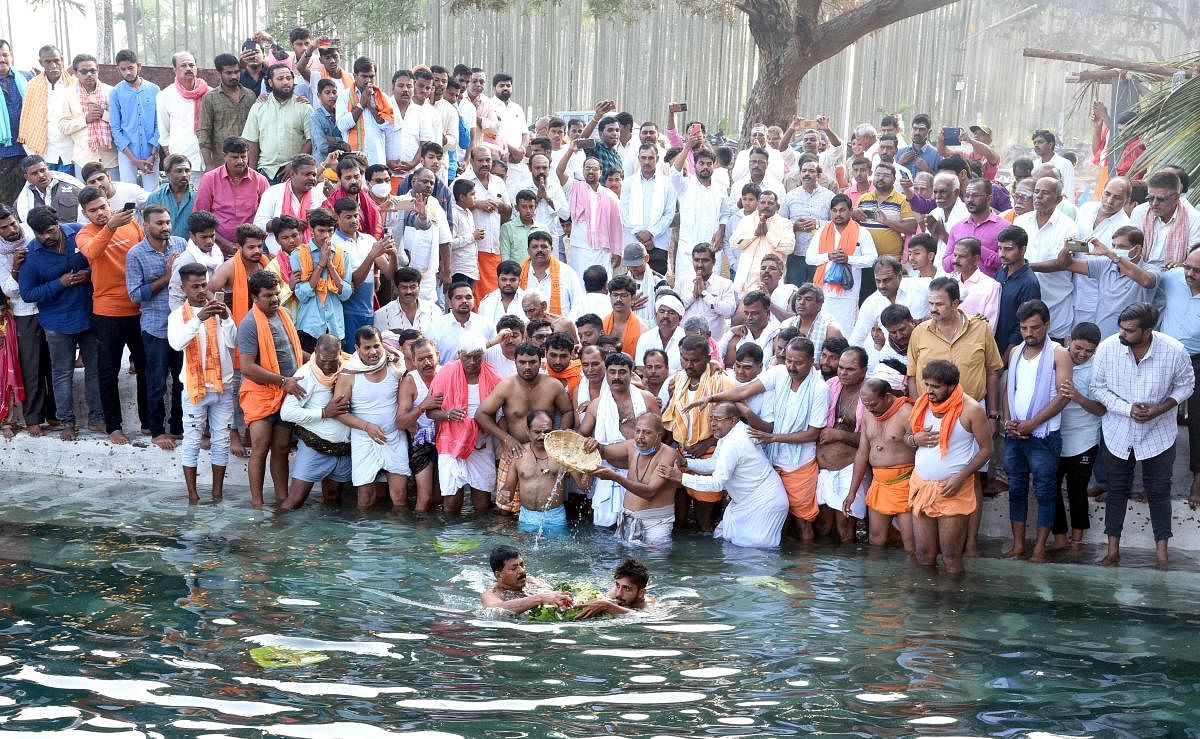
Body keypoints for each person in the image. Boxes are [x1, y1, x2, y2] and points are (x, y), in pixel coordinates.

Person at [1091, 303, 1194, 570]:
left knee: (1159, 491)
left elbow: (1187, 385)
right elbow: (1097, 388)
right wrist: (1127, 409)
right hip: (1118, 429)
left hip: (1159, 432)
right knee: (1116, 490)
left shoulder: (1174, 350)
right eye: (1121, 328)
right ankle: (1112, 551)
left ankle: (1162, 555)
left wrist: (1160, 409)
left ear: (1148, 330)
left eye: (1129, 330)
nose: (1122, 334)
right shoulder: (1107, 348)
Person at [695, 336, 829, 542]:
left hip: (799, 464)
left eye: (798, 362)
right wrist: (712, 398)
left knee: (802, 522)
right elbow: (745, 389)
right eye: (789, 360)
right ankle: (780, 564)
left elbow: (813, 433)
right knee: (776, 516)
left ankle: (803, 571)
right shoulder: (778, 372)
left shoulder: (820, 389)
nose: (792, 366)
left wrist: (773, 437)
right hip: (772, 459)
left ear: (812, 361)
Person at [17, 207, 102, 440]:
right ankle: (67, 423)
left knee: (95, 369)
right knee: (62, 373)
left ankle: (97, 419)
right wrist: (60, 284)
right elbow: (27, 293)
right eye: (40, 233)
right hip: (56, 323)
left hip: (89, 315)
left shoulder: (79, 233)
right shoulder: (31, 255)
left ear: (58, 222)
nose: (45, 236)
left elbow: (100, 261)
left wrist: (88, 273)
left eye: (49, 230)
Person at [659, 400, 789, 548]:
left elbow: (717, 483)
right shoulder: (732, 433)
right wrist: (686, 463)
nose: (712, 424)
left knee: (755, 557)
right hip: (745, 502)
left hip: (764, 504)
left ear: (733, 420)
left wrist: (681, 477)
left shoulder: (734, 441)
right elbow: (714, 464)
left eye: (717, 419)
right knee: (731, 544)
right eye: (711, 419)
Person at [1001, 299, 1072, 563]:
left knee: (1045, 492)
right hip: (1014, 435)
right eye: (1024, 328)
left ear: (1047, 325)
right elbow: (1010, 390)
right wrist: (1009, 422)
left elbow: (1063, 396)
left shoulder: (1059, 353)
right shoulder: (1015, 351)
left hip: (1044, 437)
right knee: (1016, 489)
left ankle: (1040, 548)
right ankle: (1018, 546)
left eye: (1034, 328)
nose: (1029, 334)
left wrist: (1032, 424)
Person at [907, 359, 993, 575]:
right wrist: (914, 440)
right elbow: (906, 439)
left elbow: (986, 449)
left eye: (935, 386)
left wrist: (961, 477)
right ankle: (925, 606)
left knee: (951, 557)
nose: (928, 391)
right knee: (923, 554)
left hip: (954, 488)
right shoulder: (921, 404)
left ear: (952, 386)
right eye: (926, 384)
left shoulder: (971, 409)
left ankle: (950, 607)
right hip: (922, 486)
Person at [76, 186, 147, 443]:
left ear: (109, 203)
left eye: (103, 207)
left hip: (139, 309)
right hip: (107, 313)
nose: (101, 213)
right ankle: (113, 427)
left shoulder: (133, 226)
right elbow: (93, 252)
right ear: (85, 214)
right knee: (108, 371)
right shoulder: (84, 234)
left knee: (145, 367)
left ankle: (149, 422)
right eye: (93, 210)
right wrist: (111, 227)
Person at [167, 262, 236, 503]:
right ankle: (193, 496)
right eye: (194, 286)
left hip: (223, 386)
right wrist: (199, 318)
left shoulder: (217, 311)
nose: (200, 290)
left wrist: (226, 317)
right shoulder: (177, 316)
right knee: (193, 440)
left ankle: (217, 494)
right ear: (183, 287)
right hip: (195, 389)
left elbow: (233, 342)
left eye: (203, 284)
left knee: (221, 440)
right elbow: (177, 344)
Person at [475, 340, 574, 504]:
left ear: (540, 361)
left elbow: (568, 411)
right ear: (515, 362)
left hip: (546, 454)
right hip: (516, 452)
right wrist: (507, 439)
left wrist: (558, 438)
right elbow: (481, 414)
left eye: (532, 362)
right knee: (505, 507)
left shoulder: (553, 385)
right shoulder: (506, 386)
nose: (527, 367)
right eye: (522, 362)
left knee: (544, 505)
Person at [237, 270, 304, 507]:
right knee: (260, 448)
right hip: (262, 395)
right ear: (255, 298)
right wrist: (283, 381)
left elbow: (293, 351)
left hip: (287, 394)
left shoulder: (284, 314)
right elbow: (246, 367)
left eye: (277, 294)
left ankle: (282, 500)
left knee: (282, 448)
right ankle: (257, 504)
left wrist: (322, 359)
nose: (275, 299)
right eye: (268, 296)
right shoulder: (248, 324)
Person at [124, 204, 188, 450]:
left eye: (167, 222)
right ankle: (157, 431)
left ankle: (179, 426)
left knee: (183, 380)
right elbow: (135, 295)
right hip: (155, 327)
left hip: (182, 324)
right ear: (146, 225)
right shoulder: (136, 254)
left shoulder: (180, 244)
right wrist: (167, 276)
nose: (166, 227)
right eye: (159, 223)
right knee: (157, 382)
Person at [661, 335, 735, 532]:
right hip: (682, 452)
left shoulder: (722, 382)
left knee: (705, 522)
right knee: (678, 521)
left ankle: (707, 559)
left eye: (695, 360)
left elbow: (734, 422)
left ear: (708, 357)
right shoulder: (677, 379)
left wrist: (707, 443)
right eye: (685, 359)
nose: (689, 364)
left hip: (710, 452)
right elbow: (671, 418)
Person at [1031, 225, 1158, 338]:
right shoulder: (1106, 264)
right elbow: (1066, 264)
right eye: (1113, 246)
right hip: (1103, 339)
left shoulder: (1150, 269)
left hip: (1133, 339)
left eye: (1121, 247)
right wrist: (1066, 250)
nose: (1115, 249)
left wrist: (1109, 253)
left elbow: (1146, 281)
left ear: (1137, 249)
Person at [333, 325, 410, 508]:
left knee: (400, 496)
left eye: (376, 346)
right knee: (365, 497)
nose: (373, 352)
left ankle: (399, 536)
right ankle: (364, 536)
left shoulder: (395, 365)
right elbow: (338, 412)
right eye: (367, 348)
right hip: (364, 439)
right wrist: (367, 427)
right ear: (357, 349)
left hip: (394, 437)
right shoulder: (348, 374)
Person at [579, 352, 659, 526]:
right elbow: (581, 435)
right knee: (605, 536)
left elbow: (660, 434)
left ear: (632, 373)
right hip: (608, 474)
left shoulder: (647, 399)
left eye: (622, 372)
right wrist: (588, 443)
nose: (617, 377)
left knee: (638, 534)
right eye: (612, 372)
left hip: (641, 474)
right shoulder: (597, 405)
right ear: (606, 373)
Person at [429, 332, 503, 514]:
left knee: (483, 501)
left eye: (476, 357)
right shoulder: (445, 373)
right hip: (451, 444)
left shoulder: (493, 377)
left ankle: (482, 540)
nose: (471, 362)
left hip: (482, 443)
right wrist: (447, 414)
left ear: (483, 355)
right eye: (467, 357)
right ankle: (451, 539)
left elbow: (502, 415)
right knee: (452, 502)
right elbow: (430, 412)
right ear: (459, 354)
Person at [279, 334, 352, 510]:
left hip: (343, 450)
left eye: (332, 360)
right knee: (294, 502)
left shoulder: (349, 368)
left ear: (340, 353)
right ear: (315, 352)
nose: (327, 365)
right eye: (323, 360)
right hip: (315, 448)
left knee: (333, 500)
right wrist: (324, 413)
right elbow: (286, 413)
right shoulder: (305, 375)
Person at [584, 412, 678, 546]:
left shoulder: (668, 454)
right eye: (638, 431)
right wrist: (594, 445)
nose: (640, 437)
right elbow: (604, 451)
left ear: (659, 435)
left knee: (656, 565)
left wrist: (616, 477)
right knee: (628, 565)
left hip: (656, 523)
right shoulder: (631, 446)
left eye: (647, 433)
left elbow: (650, 493)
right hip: (627, 518)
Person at [846, 378, 915, 551]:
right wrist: (852, 492)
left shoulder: (907, 413)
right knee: (875, 540)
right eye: (865, 404)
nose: (869, 408)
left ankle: (912, 578)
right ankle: (876, 577)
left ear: (887, 397)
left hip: (905, 485)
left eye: (873, 404)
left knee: (911, 543)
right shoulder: (868, 414)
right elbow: (862, 453)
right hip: (879, 485)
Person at [1053, 322, 1104, 548]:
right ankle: (1060, 539)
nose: (1083, 354)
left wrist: (1078, 397)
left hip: (1084, 438)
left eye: (1089, 351)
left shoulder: (1098, 369)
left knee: (1077, 490)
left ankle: (1076, 543)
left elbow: (1102, 409)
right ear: (1069, 340)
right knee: (1049, 488)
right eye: (1078, 348)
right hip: (1054, 435)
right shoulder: (1053, 359)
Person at [497, 409, 589, 535]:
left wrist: (589, 462)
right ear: (528, 432)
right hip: (526, 518)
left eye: (547, 432)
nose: (542, 436)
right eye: (537, 432)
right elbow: (509, 490)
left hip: (555, 518)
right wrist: (504, 494)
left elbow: (584, 486)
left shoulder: (562, 454)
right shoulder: (519, 454)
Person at [1159, 247, 1200, 504]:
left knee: (1199, 419)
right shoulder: (1173, 277)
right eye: (1187, 267)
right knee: (1153, 414)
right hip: (1163, 357)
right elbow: (1144, 280)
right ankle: (1149, 482)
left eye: (1197, 271)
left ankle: (1198, 482)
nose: (1190, 274)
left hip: (1197, 360)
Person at [815, 346, 868, 542]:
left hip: (851, 469)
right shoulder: (830, 385)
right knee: (822, 525)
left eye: (850, 369)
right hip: (823, 468)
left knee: (845, 526)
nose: (843, 373)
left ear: (863, 370)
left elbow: (873, 438)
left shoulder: (870, 392)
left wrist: (839, 435)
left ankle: (848, 572)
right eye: (841, 367)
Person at [1015, 176, 1077, 341]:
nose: (1038, 196)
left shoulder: (1068, 227)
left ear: (1058, 199)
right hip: (1024, 301)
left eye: (1045, 193)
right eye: (1036, 192)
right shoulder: (1021, 221)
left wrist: (1025, 267)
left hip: (1055, 303)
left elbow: (1061, 263)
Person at [808, 193, 877, 331]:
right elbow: (809, 258)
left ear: (851, 211)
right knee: (824, 331)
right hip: (823, 292)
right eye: (834, 210)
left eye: (842, 210)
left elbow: (872, 259)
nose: (838, 214)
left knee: (845, 333)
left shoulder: (862, 233)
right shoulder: (822, 231)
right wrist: (828, 256)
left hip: (848, 293)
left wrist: (849, 259)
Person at [289, 207, 351, 350]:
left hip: (335, 325)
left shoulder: (342, 254)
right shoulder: (298, 254)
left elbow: (346, 294)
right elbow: (302, 295)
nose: (326, 236)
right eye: (321, 231)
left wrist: (330, 265)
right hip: (310, 326)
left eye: (330, 230)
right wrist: (321, 265)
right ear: (311, 230)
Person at [670, 137, 726, 288]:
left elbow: (725, 213)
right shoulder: (685, 186)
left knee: (712, 292)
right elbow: (674, 172)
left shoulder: (720, 189)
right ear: (695, 165)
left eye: (709, 164)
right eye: (701, 163)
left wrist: (721, 230)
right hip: (688, 251)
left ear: (714, 165)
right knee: (685, 290)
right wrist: (687, 147)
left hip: (712, 249)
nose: (705, 167)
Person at [242, 64, 313, 183]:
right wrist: (252, 174)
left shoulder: (304, 107)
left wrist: (295, 164)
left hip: (295, 173)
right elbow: (252, 141)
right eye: (280, 79)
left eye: (289, 78)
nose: (286, 82)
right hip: (265, 172)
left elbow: (310, 140)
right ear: (270, 82)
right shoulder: (259, 107)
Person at [395, 337, 441, 512]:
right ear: (413, 361)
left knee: (440, 497)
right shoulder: (410, 381)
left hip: (445, 440)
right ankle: (418, 537)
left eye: (430, 357)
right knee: (425, 498)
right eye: (421, 359)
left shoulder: (446, 373)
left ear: (437, 355)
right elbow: (400, 422)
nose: (427, 362)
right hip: (422, 443)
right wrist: (423, 406)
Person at [107, 49, 160, 191]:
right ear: (118, 70)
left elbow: (159, 125)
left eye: (131, 67)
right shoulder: (115, 93)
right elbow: (116, 129)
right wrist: (133, 160)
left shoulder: (154, 90)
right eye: (123, 69)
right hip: (127, 153)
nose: (127, 72)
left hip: (151, 153)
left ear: (139, 66)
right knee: (129, 194)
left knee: (152, 194)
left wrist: (153, 155)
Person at [17, 45, 75, 174]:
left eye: (56, 61)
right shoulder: (33, 85)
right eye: (48, 62)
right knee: (47, 190)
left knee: (69, 190)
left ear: (62, 60)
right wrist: (31, 152)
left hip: (70, 150)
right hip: (45, 150)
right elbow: (27, 118)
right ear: (41, 63)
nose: (53, 65)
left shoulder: (73, 84)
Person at [60, 54, 117, 180]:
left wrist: (104, 115)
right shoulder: (68, 95)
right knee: (87, 197)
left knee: (114, 195)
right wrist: (85, 119)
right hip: (84, 158)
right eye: (84, 72)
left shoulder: (112, 92)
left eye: (92, 70)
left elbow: (122, 122)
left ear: (98, 70)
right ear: (75, 73)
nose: (89, 74)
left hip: (110, 157)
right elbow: (63, 126)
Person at [252, 153, 320, 254]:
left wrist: (319, 216)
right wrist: (285, 224)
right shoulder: (273, 192)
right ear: (292, 174)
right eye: (307, 174)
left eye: (314, 175)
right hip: (277, 258)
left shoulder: (319, 194)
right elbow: (258, 225)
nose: (312, 178)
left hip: (313, 257)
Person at [197, 53, 254, 170]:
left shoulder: (250, 95)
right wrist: (209, 165)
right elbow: (204, 132)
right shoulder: (210, 98)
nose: (234, 76)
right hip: (222, 163)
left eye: (237, 72)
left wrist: (253, 165)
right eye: (228, 73)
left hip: (247, 161)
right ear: (219, 74)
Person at [156, 52, 208, 180]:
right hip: (182, 162)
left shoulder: (210, 93)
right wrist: (173, 159)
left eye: (191, 65)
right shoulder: (165, 96)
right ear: (174, 69)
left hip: (208, 160)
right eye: (183, 66)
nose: (188, 68)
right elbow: (164, 132)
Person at [732, 190, 794, 296]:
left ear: (777, 206)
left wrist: (768, 234)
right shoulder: (746, 221)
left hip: (772, 279)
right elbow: (734, 244)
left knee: (771, 308)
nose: (766, 206)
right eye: (763, 202)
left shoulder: (785, 224)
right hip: (748, 279)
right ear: (757, 204)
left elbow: (789, 248)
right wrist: (755, 234)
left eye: (770, 203)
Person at [994, 226, 1041, 359]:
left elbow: (1023, 327)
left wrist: (1005, 360)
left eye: (1008, 249)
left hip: (1010, 352)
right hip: (993, 345)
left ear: (1023, 249)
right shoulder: (1001, 271)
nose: (1002, 254)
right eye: (999, 248)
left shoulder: (1029, 283)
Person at [480, 545, 570, 615]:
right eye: (514, 568)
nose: (522, 571)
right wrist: (540, 598)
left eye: (522, 565)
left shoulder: (531, 581)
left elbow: (554, 595)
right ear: (499, 575)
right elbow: (495, 609)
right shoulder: (490, 594)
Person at [335, 57, 391, 167]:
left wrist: (370, 105)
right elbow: (342, 125)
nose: (368, 80)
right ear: (355, 76)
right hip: (352, 160)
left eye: (371, 76)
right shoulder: (344, 96)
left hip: (376, 157)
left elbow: (387, 126)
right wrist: (361, 105)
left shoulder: (381, 97)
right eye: (364, 76)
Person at [520, 229, 582, 320]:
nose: (539, 250)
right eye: (535, 247)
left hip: (560, 331)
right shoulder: (519, 273)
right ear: (528, 251)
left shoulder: (567, 273)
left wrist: (567, 326)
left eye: (544, 246)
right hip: (527, 330)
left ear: (551, 249)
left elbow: (578, 304)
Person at [427, 281, 496, 363]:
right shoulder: (435, 328)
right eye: (459, 298)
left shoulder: (486, 324)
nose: (464, 301)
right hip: (447, 375)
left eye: (468, 297)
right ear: (449, 302)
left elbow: (493, 355)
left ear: (473, 300)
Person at [14, 154, 84, 223]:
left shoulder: (74, 188)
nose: (41, 175)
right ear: (27, 177)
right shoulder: (22, 203)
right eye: (34, 173)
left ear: (48, 168)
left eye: (42, 170)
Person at [949, 237, 1000, 329]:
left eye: (962, 256)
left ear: (976, 259)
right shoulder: (951, 282)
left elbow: (989, 327)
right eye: (955, 255)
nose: (956, 260)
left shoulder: (991, 286)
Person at [574, 559, 652, 618]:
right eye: (617, 585)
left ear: (641, 593)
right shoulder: (614, 592)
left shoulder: (648, 605)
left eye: (627, 589)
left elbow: (644, 616)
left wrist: (608, 606)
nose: (618, 593)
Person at [145, 155, 195, 240]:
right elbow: (148, 228)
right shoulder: (155, 197)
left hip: (191, 250)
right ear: (167, 173)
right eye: (179, 171)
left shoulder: (198, 197)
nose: (184, 175)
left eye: (187, 171)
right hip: (163, 249)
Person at [634, 293, 685, 373]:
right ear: (656, 315)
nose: (665, 316)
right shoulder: (645, 338)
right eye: (661, 311)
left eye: (671, 313)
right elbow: (640, 367)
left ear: (680, 318)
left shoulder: (685, 339)